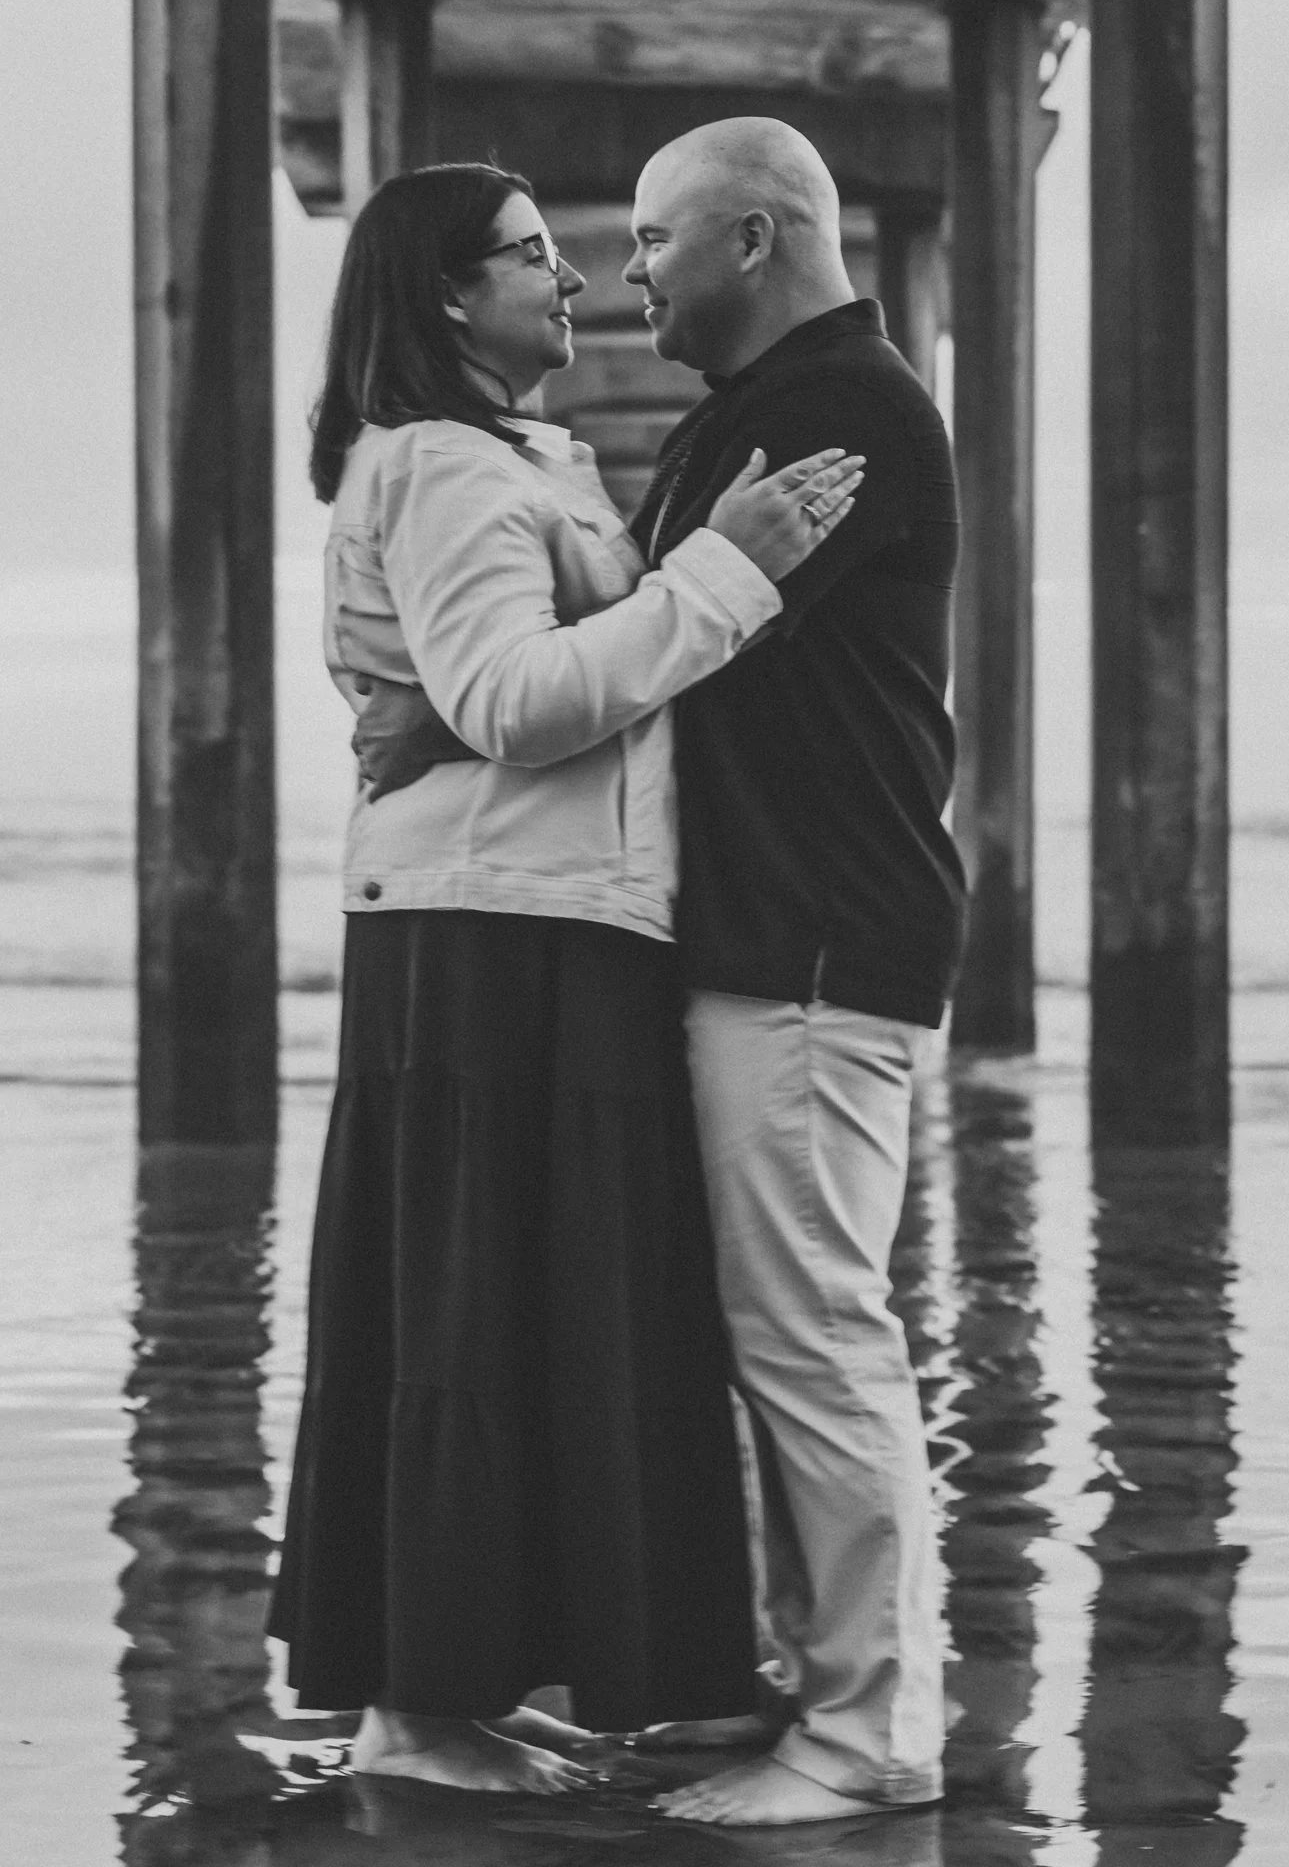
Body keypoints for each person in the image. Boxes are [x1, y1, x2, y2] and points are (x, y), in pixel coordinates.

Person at [356, 120, 967, 1826]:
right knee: (762, 1334)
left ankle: (869, 1731)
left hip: (812, 939)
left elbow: (671, 655)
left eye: (649, 242)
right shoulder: (747, 416)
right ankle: (791, 1688)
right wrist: (454, 706)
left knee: (815, 1336)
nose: (621, 279)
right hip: (751, 938)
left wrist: (465, 712)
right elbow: (633, 651)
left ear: (754, 239)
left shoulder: (837, 413)